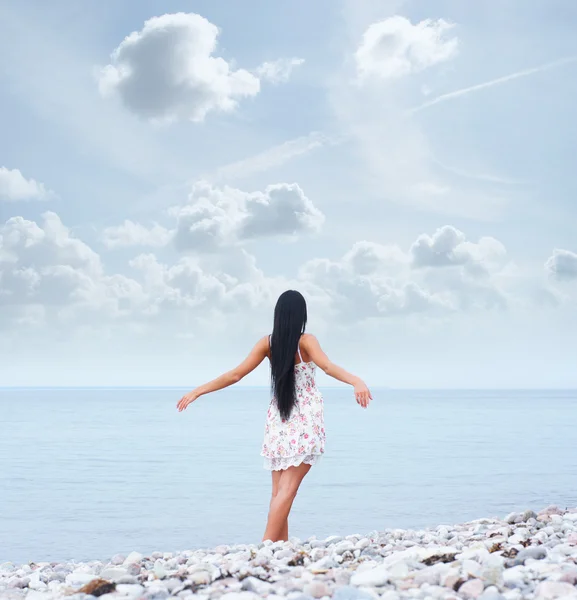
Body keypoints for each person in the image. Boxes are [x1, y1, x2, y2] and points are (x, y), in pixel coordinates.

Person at [176, 289, 372, 542]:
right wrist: (356, 381)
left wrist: (198, 390)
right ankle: (266, 545)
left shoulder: (268, 343)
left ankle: (281, 547)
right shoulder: (306, 341)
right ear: (302, 315)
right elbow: (326, 366)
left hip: (279, 418)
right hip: (304, 418)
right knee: (287, 491)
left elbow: (235, 374)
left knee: (279, 491)